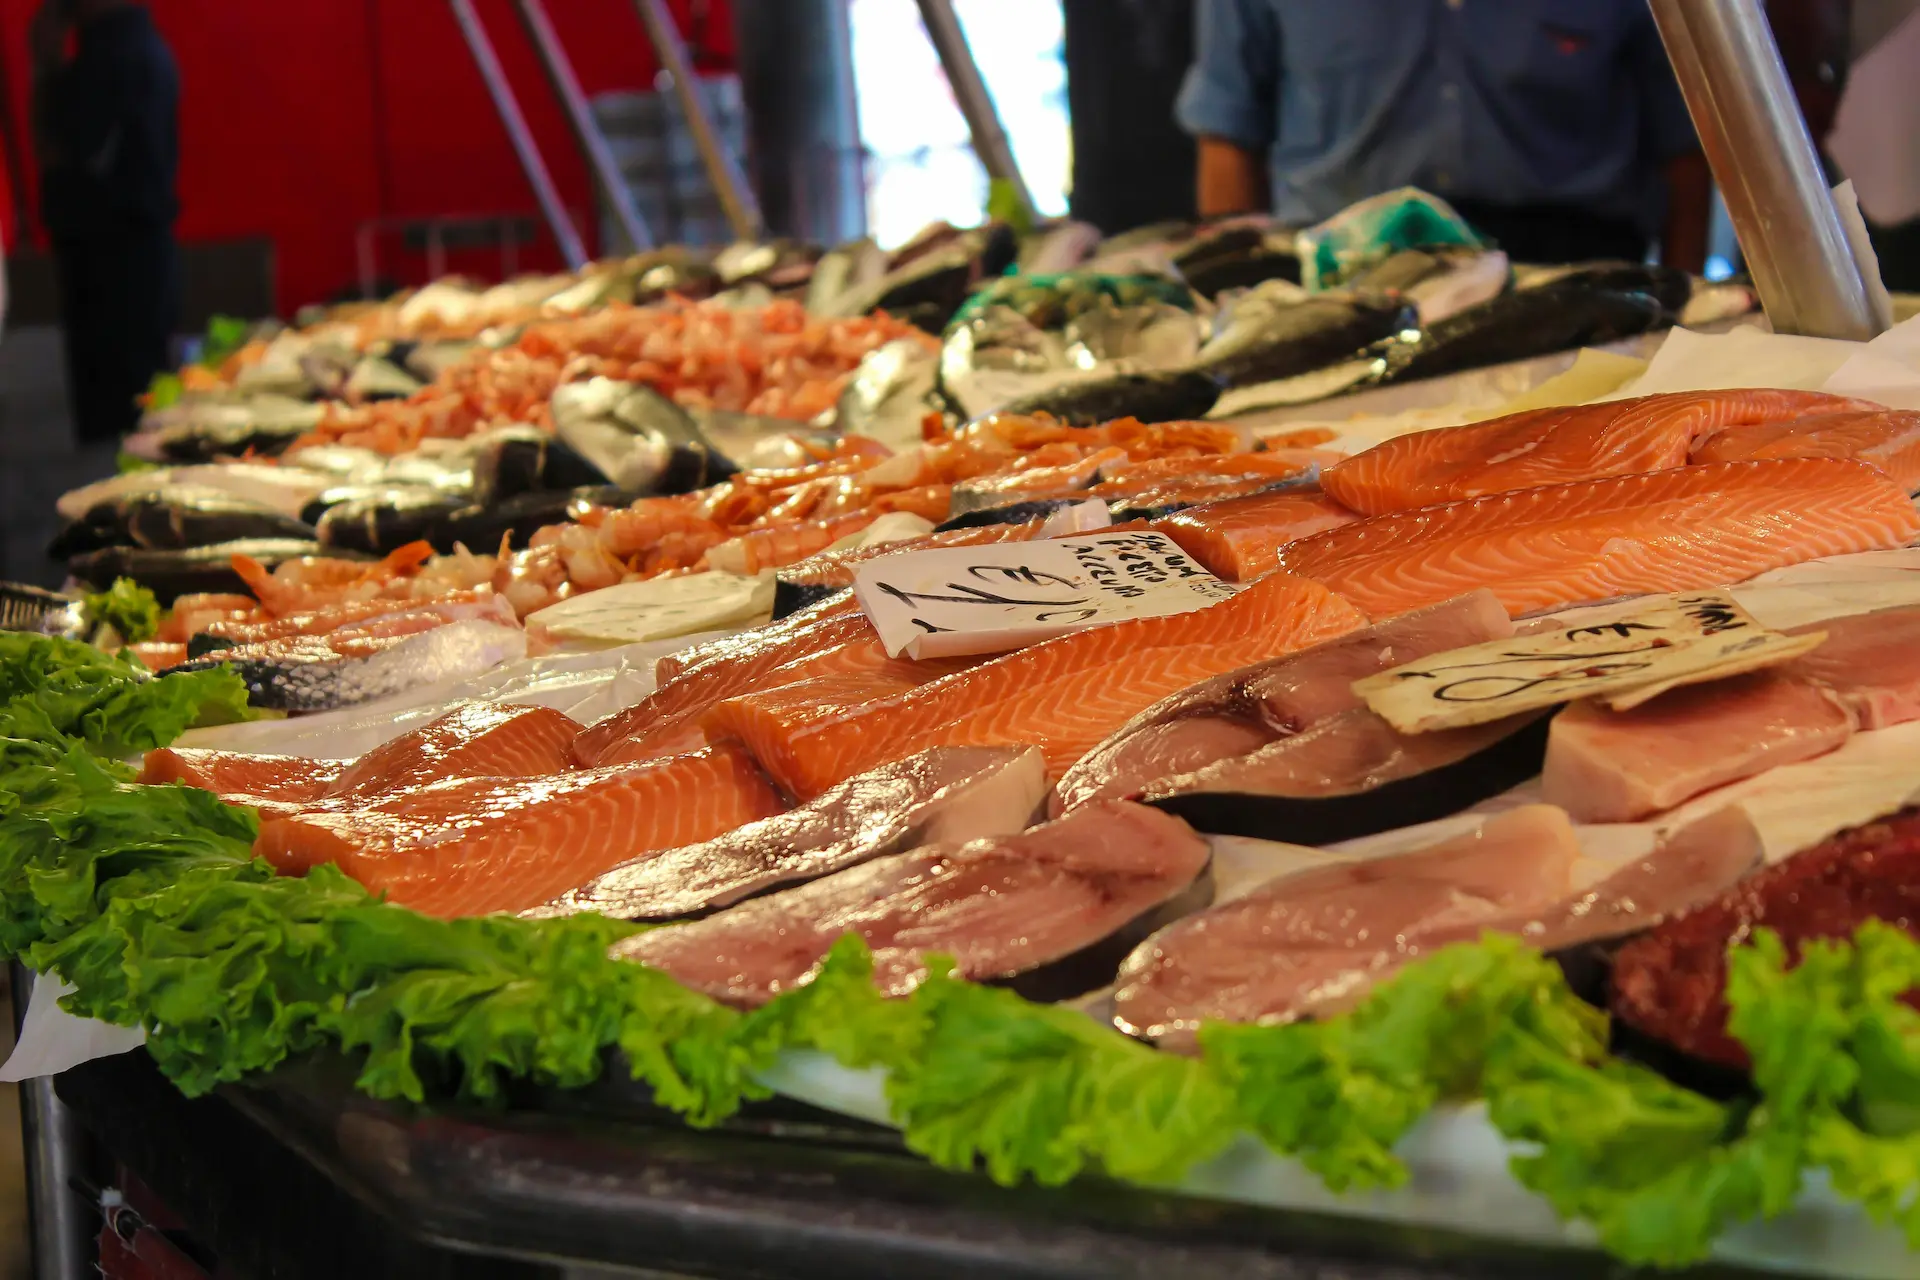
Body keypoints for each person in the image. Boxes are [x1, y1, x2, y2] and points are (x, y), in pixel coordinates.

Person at [1176, 2, 1710, 271]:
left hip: (1572, 268)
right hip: (1343, 272)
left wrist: (1692, 307)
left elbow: (1688, 141)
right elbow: (1227, 131)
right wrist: (1238, 301)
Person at [31, 0, 180, 445]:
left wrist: (45, 66)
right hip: (124, 259)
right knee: (137, 418)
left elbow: (59, 152)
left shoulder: (114, 55)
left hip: (115, 268)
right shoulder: (132, 46)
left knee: (126, 428)